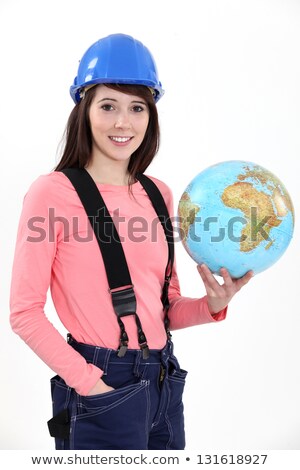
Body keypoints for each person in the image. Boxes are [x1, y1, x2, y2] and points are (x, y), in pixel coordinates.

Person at [9, 33, 253, 450]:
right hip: (102, 385)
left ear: (150, 115)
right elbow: (24, 313)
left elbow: (162, 307)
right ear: (84, 111)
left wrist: (210, 307)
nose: (124, 122)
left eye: (137, 108)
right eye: (109, 106)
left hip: (164, 382)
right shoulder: (52, 193)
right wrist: (92, 385)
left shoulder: (159, 193)